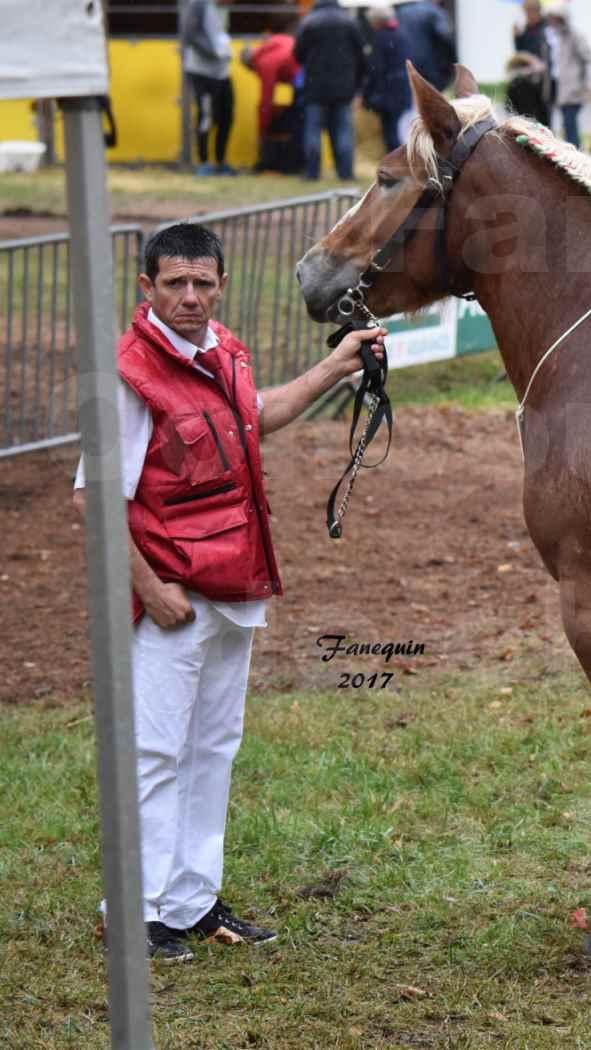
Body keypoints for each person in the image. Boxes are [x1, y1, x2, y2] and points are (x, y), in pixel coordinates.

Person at [72, 223, 386, 962]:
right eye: (174, 283)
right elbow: (93, 499)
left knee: (212, 746)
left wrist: (338, 367)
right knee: (154, 751)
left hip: (234, 583)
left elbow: (256, 419)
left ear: (221, 284)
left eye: (203, 283)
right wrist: (152, 590)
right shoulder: (126, 373)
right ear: (145, 288)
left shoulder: (224, 352)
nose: (190, 296)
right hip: (173, 595)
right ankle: (132, 911)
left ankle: (190, 899)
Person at [293, 0, 367, 181]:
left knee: (313, 130)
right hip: (343, 87)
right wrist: (355, 83)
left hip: (315, 86)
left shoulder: (309, 21)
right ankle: (346, 173)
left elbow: (297, 53)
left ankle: (312, 173)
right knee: (343, 130)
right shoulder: (349, 22)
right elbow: (361, 55)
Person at [179, 0, 237, 176]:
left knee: (227, 115)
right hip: (202, 71)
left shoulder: (221, 9)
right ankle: (204, 162)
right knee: (206, 115)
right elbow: (190, 34)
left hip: (222, 71)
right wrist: (213, 52)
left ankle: (221, 160)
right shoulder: (197, 5)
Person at [240, 15, 303, 173]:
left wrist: (262, 129)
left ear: (250, 64)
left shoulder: (264, 63)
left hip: (304, 82)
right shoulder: (276, 42)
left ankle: (292, 166)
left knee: (297, 123)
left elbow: (266, 100)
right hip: (309, 77)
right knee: (300, 119)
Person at [543, 3, 591, 148]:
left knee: (569, 125)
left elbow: (589, 60)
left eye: (555, 18)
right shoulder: (550, 37)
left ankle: (575, 154)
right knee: (552, 124)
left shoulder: (575, 36)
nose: (552, 22)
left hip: (572, 89)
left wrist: (590, 84)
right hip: (554, 85)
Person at [363, 6, 414, 153]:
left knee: (390, 132)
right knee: (396, 130)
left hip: (388, 92)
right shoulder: (401, 34)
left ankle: (395, 167)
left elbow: (376, 69)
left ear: (377, 21)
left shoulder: (382, 37)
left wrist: (367, 93)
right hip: (402, 89)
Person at [395, 0, 457, 92]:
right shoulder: (435, 12)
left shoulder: (400, 11)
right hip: (431, 68)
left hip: (405, 65)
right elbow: (446, 37)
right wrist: (453, 63)